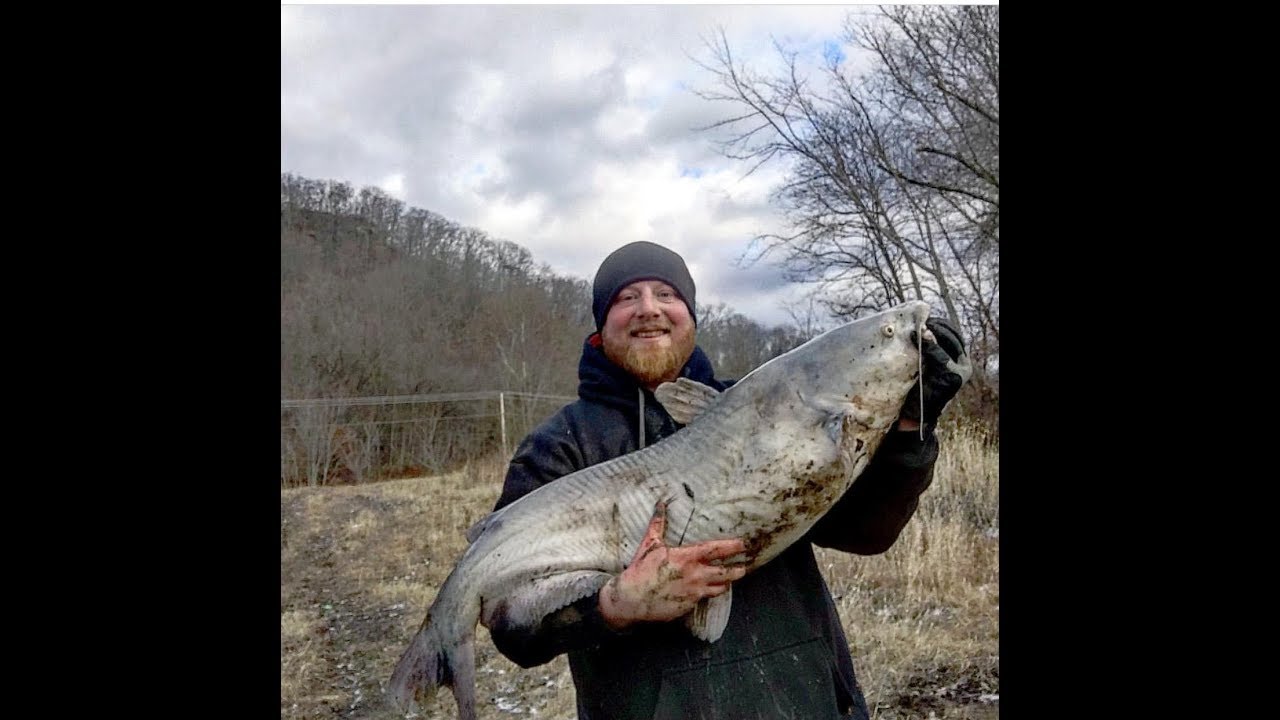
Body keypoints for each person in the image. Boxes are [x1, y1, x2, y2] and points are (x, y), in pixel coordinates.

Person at [489, 241, 967, 720]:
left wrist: (909, 430)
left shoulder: (771, 402)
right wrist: (614, 605)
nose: (649, 308)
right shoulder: (559, 446)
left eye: (666, 294)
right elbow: (513, 623)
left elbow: (866, 533)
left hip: (809, 702)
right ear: (601, 324)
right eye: (626, 298)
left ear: (691, 315)